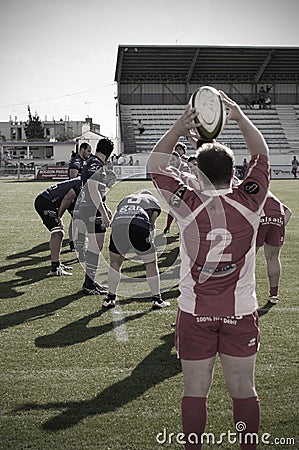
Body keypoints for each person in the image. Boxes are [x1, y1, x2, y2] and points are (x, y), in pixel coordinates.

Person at [148, 91, 270, 450]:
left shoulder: (187, 203)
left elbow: (156, 165)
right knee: (243, 390)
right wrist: (240, 117)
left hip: (194, 313)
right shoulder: (249, 199)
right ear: (234, 172)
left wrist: (177, 126)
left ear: (196, 174)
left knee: (195, 392)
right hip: (241, 311)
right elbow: (261, 154)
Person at [103, 190, 170, 310]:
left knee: (115, 263)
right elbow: (151, 225)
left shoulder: (126, 199)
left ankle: (110, 298)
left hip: (118, 226)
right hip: (138, 225)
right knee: (150, 263)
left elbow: (119, 214)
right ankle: (157, 299)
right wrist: (149, 245)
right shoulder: (153, 202)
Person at [76, 138, 114, 295]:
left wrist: (104, 207)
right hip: (91, 209)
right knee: (95, 246)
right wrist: (103, 212)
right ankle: (89, 284)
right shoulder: (97, 164)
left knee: (95, 246)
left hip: (86, 207)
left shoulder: (90, 161)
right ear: (109, 153)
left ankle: (90, 282)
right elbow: (93, 188)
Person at [34, 177, 82, 276]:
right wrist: (59, 216)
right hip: (45, 201)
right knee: (58, 232)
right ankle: (55, 268)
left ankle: (57, 264)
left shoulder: (81, 181)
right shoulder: (82, 183)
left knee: (59, 232)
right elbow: (68, 198)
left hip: (48, 201)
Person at [256, 192, 292, 308]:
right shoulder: (268, 193)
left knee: (248, 259)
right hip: (278, 217)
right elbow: (288, 212)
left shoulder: (242, 187)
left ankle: (243, 293)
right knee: (273, 258)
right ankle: (274, 295)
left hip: (259, 215)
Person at [68, 142, 92, 251]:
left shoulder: (83, 161)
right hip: (75, 195)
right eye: (88, 151)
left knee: (78, 218)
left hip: (81, 195)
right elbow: (73, 179)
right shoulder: (77, 161)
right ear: (82, 149)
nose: (89, 153)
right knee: (75, 219)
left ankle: (76, 240)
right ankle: (73, 242)